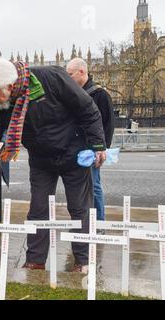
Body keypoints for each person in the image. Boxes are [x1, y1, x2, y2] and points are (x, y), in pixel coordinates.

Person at [0, 57, 106, 274]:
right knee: (38, 209)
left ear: (10, 87)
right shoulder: (2, 102)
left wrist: (98, 145)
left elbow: (88, 109)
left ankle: (83, 261)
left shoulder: (52, 78)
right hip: (41, 159)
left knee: (79, 208)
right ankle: (35, 261)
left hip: (73, 153)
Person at [67, 58, 115, 223]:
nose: (68, 78)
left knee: (93, 186)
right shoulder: (73, 93)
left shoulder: (100, 94)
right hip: (75, 148)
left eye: (70, 74)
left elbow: (108, 125)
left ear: (81, 72)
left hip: (92, 150)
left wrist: (101, 149)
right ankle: (84, 222)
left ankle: (99, 223)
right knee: (78, 189)